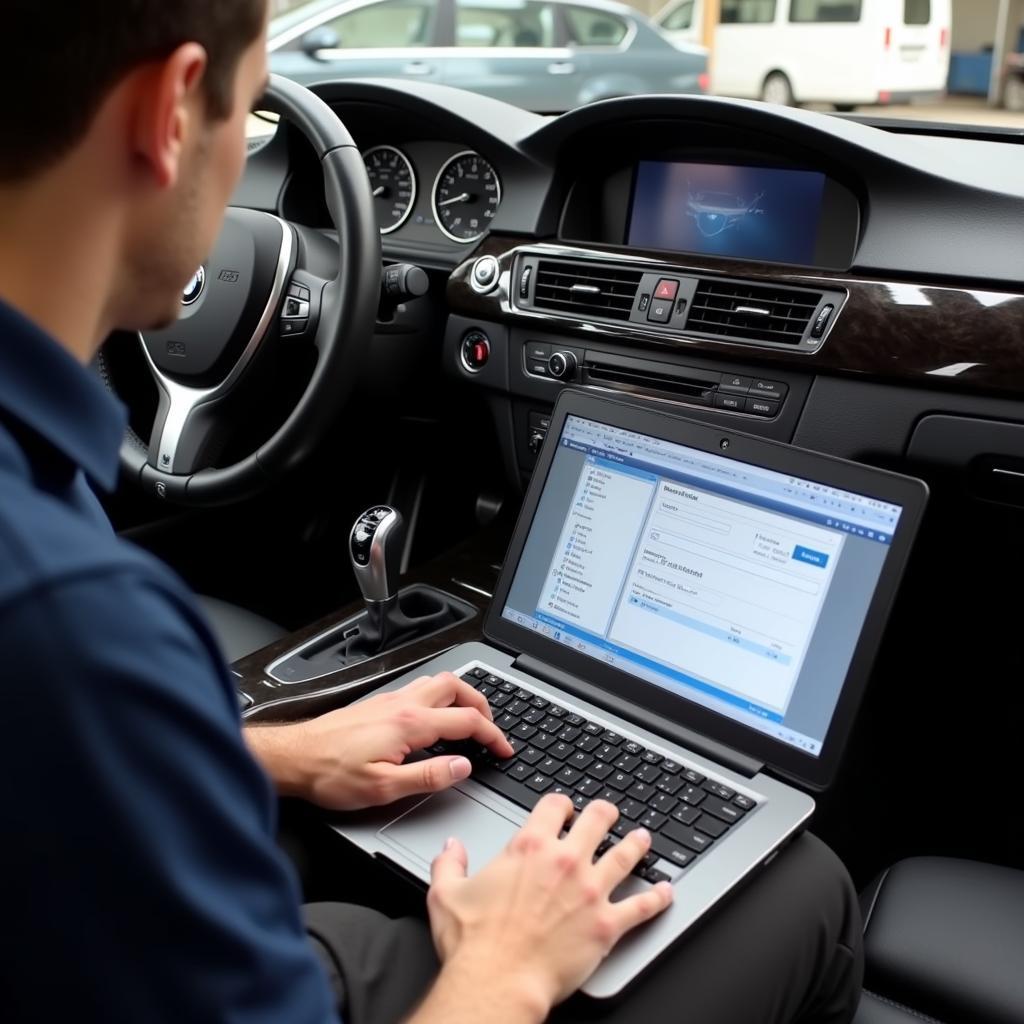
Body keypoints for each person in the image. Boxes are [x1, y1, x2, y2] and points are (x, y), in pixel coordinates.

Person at [0, 2, 863, 1021]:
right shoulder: (73, 620)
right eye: (249, 111)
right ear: (166, 115)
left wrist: (276, 749)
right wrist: (506, 967)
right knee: (807, 885)